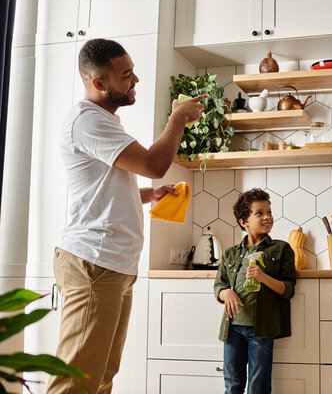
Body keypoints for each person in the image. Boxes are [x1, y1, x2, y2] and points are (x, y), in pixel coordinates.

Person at [47, 38, 207, 393]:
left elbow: (103, 191)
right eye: (126, 75)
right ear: (98, 83)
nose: (135, 80)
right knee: (77, 379)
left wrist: (150, 196)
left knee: (102, 375)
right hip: (93, 262)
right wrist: (177, 119)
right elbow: (154, 165)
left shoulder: (106, 122)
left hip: (113, 264)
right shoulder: (89, 122)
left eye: (133, 72)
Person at [214, 188, 296, 394]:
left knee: (258, 387)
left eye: (269, 212)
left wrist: (263, 277)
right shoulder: (231, 253)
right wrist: (227, 293)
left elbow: (288, 289)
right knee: (232, 384)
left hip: (261, 329)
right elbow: (218, 286)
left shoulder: (281, 249)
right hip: (232, 327)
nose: (267, 217)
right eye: (259, 213)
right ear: (244, 222)